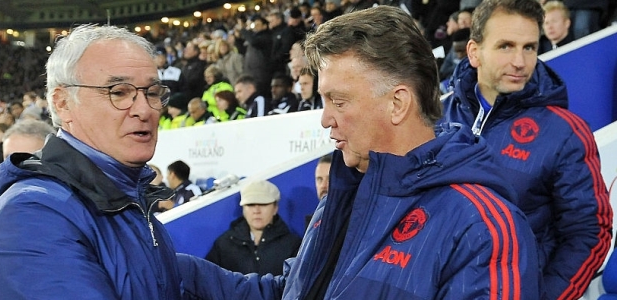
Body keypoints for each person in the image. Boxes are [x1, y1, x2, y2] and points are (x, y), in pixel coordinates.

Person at [174, 6, 540, 299]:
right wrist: (171, 268)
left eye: (338, 100)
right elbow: (294, 291)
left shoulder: (484, 228)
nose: (325, 119)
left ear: (398, 104)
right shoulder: (344, 194)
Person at [0, 24, 184, 299]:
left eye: (152, 93)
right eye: (118, 92)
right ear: (63, 103)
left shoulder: (126, 198)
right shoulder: (32, 216)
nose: (144, 110)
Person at [440, 0, 612, 298]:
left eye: (529, 47)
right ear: (474, 52)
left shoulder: (564, 132)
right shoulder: (438, 116)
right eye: (506, 46)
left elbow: (589, 233)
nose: (520, 61)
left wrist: (543, 295)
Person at [205, 180, 301, 276]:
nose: (256, 210)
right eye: (250, 205)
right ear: (243, 209)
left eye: (263, 204)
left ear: (275, 208)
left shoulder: (293, 245)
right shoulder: (223, 245)